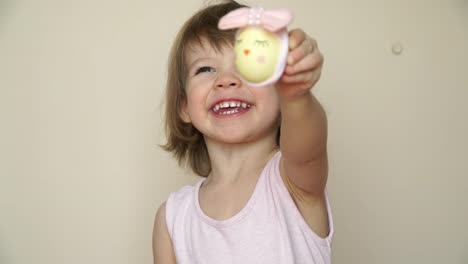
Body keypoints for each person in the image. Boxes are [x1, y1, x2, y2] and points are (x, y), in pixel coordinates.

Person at [153, 1, 333, 263]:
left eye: (248, 63)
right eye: (205, 69)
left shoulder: (294, 181)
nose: (226, 79)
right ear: (184, 106)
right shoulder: (172, 218)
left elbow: (308, 146)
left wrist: (296, 94)